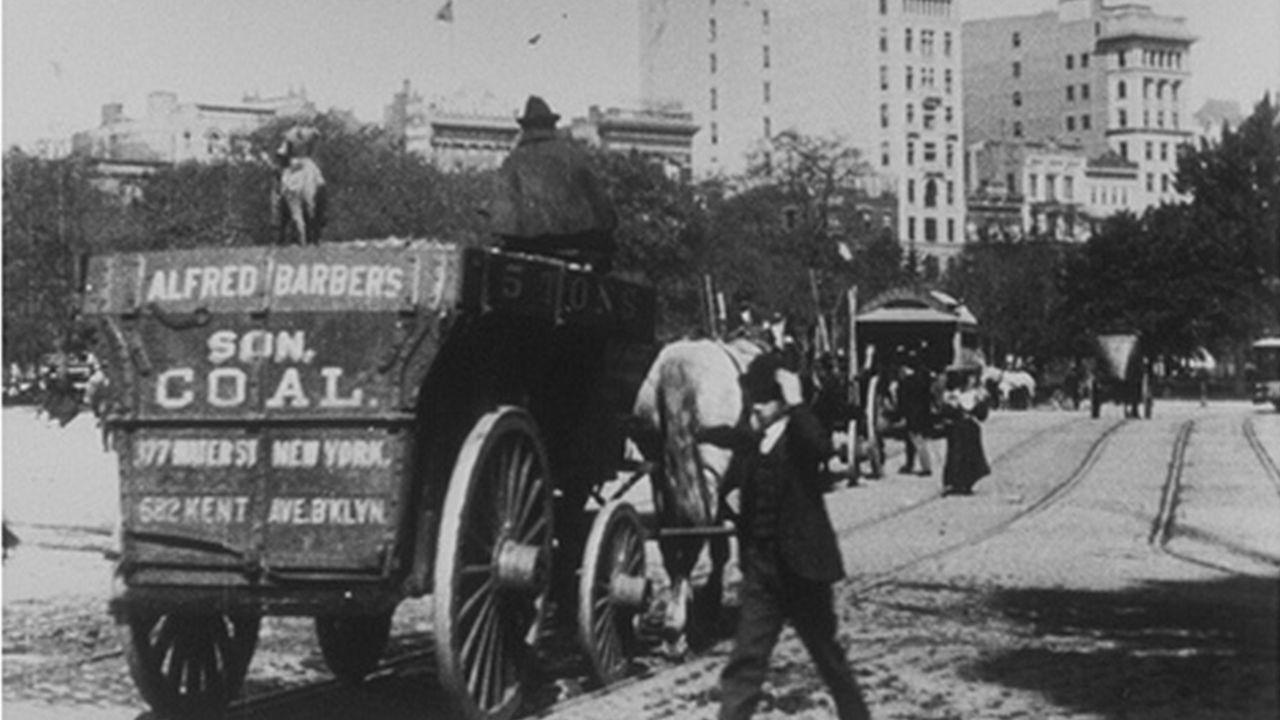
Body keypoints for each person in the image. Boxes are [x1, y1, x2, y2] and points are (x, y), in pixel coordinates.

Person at [699, 352, 872, 720]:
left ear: (780, 402)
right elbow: (731, 446)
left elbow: (822, 447)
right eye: (751, 401)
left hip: (804, 570)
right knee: (746, 660)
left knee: (828, 658)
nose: (754, 409)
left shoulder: (800, 436)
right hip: (762, 570)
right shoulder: (753, 440)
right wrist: (695, 433)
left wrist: (797, 402)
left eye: (762, 401)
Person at [488, 95, 618, 272]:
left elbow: (501, 221)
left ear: (525, 128)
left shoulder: (513, 162)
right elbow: (604, 211)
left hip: (525, 247)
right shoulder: (573, 156)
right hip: (578, 244)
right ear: (551, 125)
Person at [939, 368, 991, 496]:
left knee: (971, 455)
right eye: (969, 378)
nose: (972, 381)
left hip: (971, 428)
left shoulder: (978, 394)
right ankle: (954, 482)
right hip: (957, 428)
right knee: (955, 454)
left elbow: (982, 415)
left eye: (973, 378)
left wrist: (980, 405)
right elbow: (946, 412)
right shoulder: (953, 395)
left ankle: (967, 482)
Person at [273, 125, 327, 245]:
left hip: (297, 170)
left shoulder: (291, 140)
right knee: (312, 201)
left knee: (289, 202)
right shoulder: (306, 142)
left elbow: (281, 155)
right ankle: (310, 237)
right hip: (303, 168)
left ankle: (304, 237)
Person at [896, 354, 934, 477]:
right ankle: (910, 463)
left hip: (912, 413)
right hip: (922, 412)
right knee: (912, 439)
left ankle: (926, 466)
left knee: (917, 439)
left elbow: (902, 398)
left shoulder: (908, 381)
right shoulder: (924, 377)